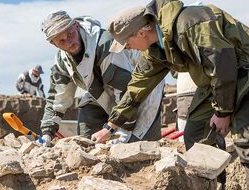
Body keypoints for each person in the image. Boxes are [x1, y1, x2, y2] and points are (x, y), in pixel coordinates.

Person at [104, 0, 249, 190]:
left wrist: (223, 111)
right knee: (197, 133)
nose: (129, 49)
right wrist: (112, 125)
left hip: (247, 73)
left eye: (128, 42)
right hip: (216, 81)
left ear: (141, 32)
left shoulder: (189, 23)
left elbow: (223, 62)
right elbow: (138, 86)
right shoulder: (156, 48)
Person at [39, 10, 164, 146]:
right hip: (99, 92)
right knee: (87, 142)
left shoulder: (105, 45)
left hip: (138, 91)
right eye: (62, 41)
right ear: (53, 43)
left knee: (137, 144)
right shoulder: (62, 61)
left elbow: (125, 91)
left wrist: (117, 130)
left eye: (70, 34)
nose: (69, 43)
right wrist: (47, 133)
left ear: (76, 25)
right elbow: (57, 99)